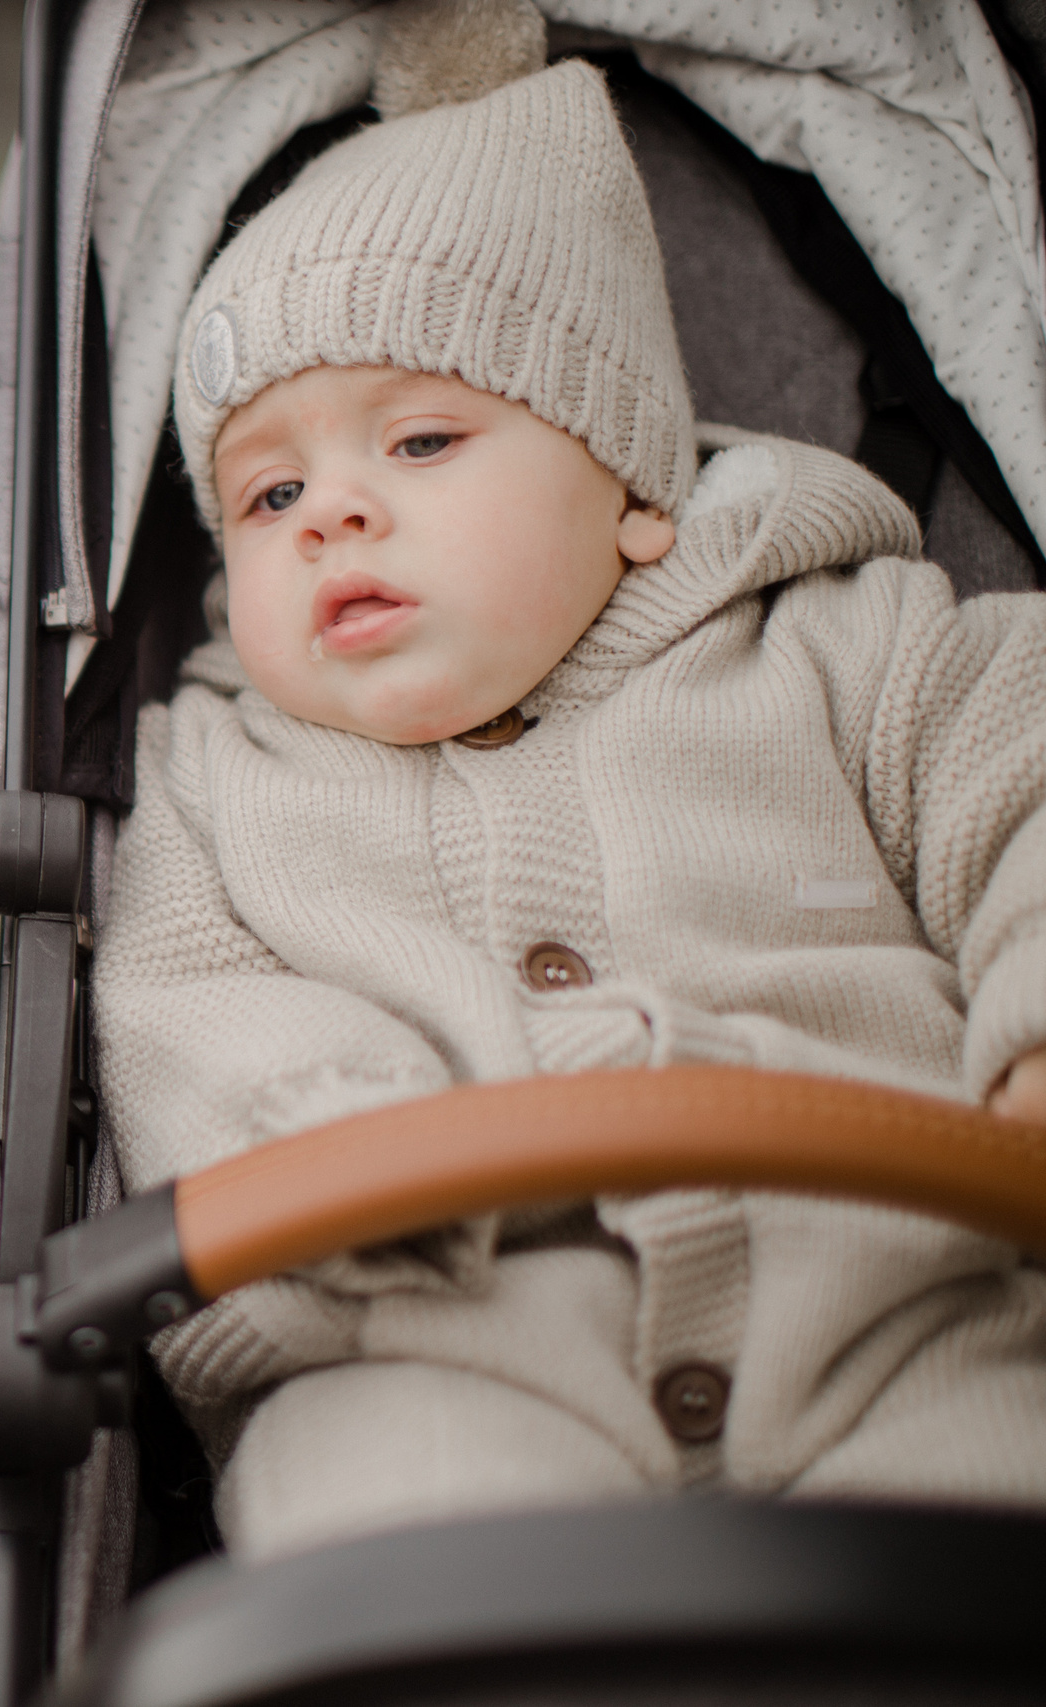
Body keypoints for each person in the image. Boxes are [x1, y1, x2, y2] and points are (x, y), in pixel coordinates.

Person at [92, 0, 1046, 1561]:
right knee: (374, 1514)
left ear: (635, 489)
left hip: (902, 1303)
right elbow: (183, 1012)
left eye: (419, 443)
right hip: (451, 1334)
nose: (332, 511)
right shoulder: (221, 773)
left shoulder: (850, 648)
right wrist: (333, 1152)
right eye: (270, 489)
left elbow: (1030, 793)